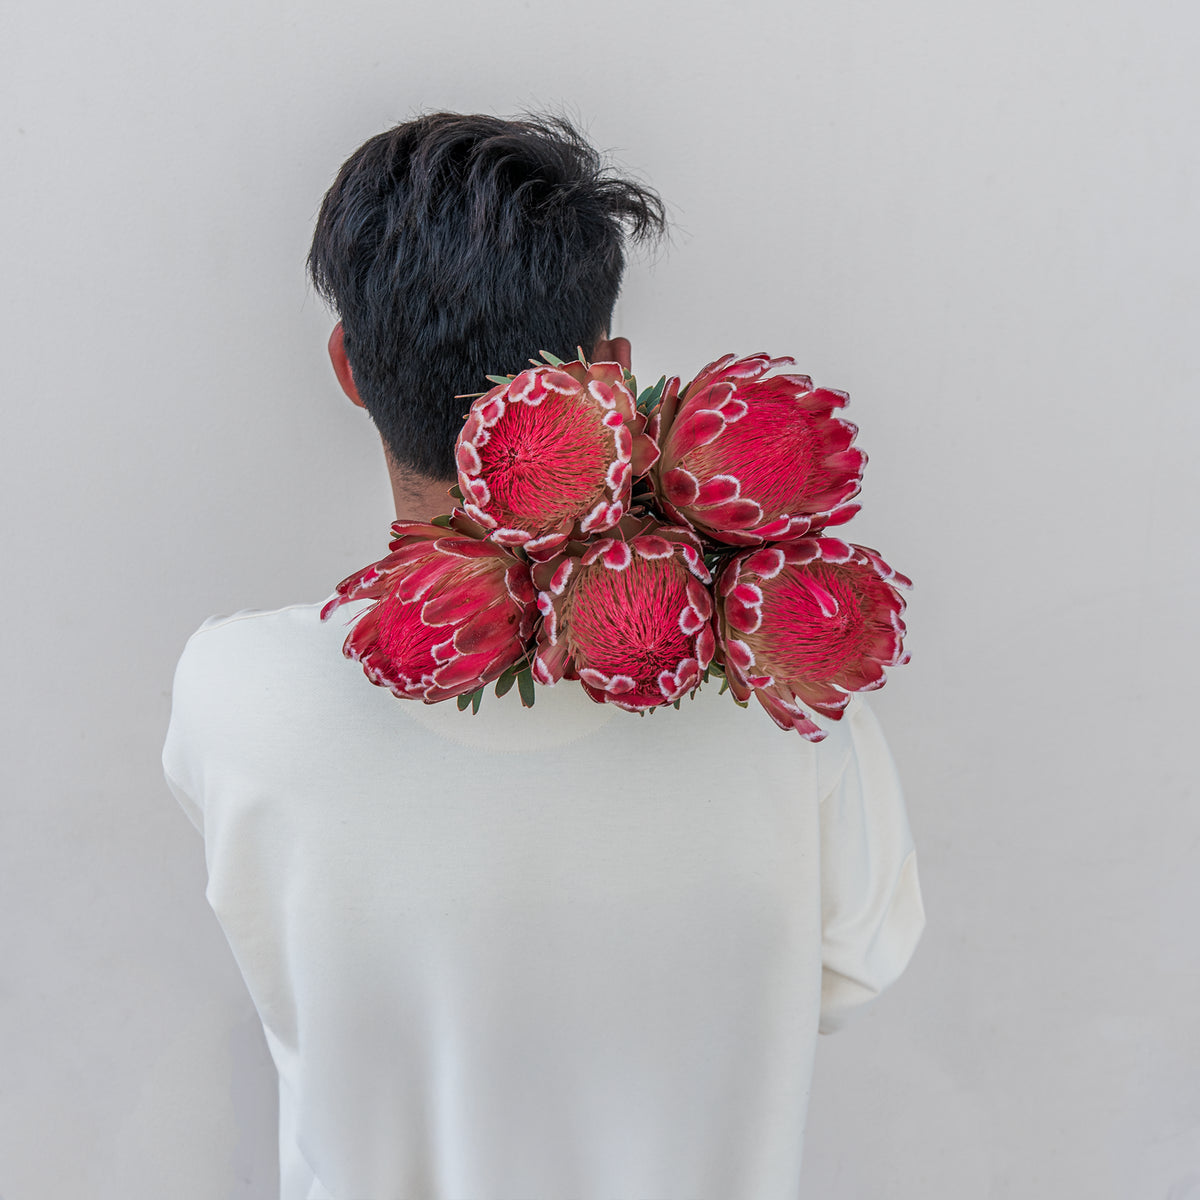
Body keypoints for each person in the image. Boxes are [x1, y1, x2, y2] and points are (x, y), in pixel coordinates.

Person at [162, 110, 926, 1200]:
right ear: (612, 374)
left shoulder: (232, 694)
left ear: (348, 366)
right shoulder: (783, 697)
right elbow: (858, 959)